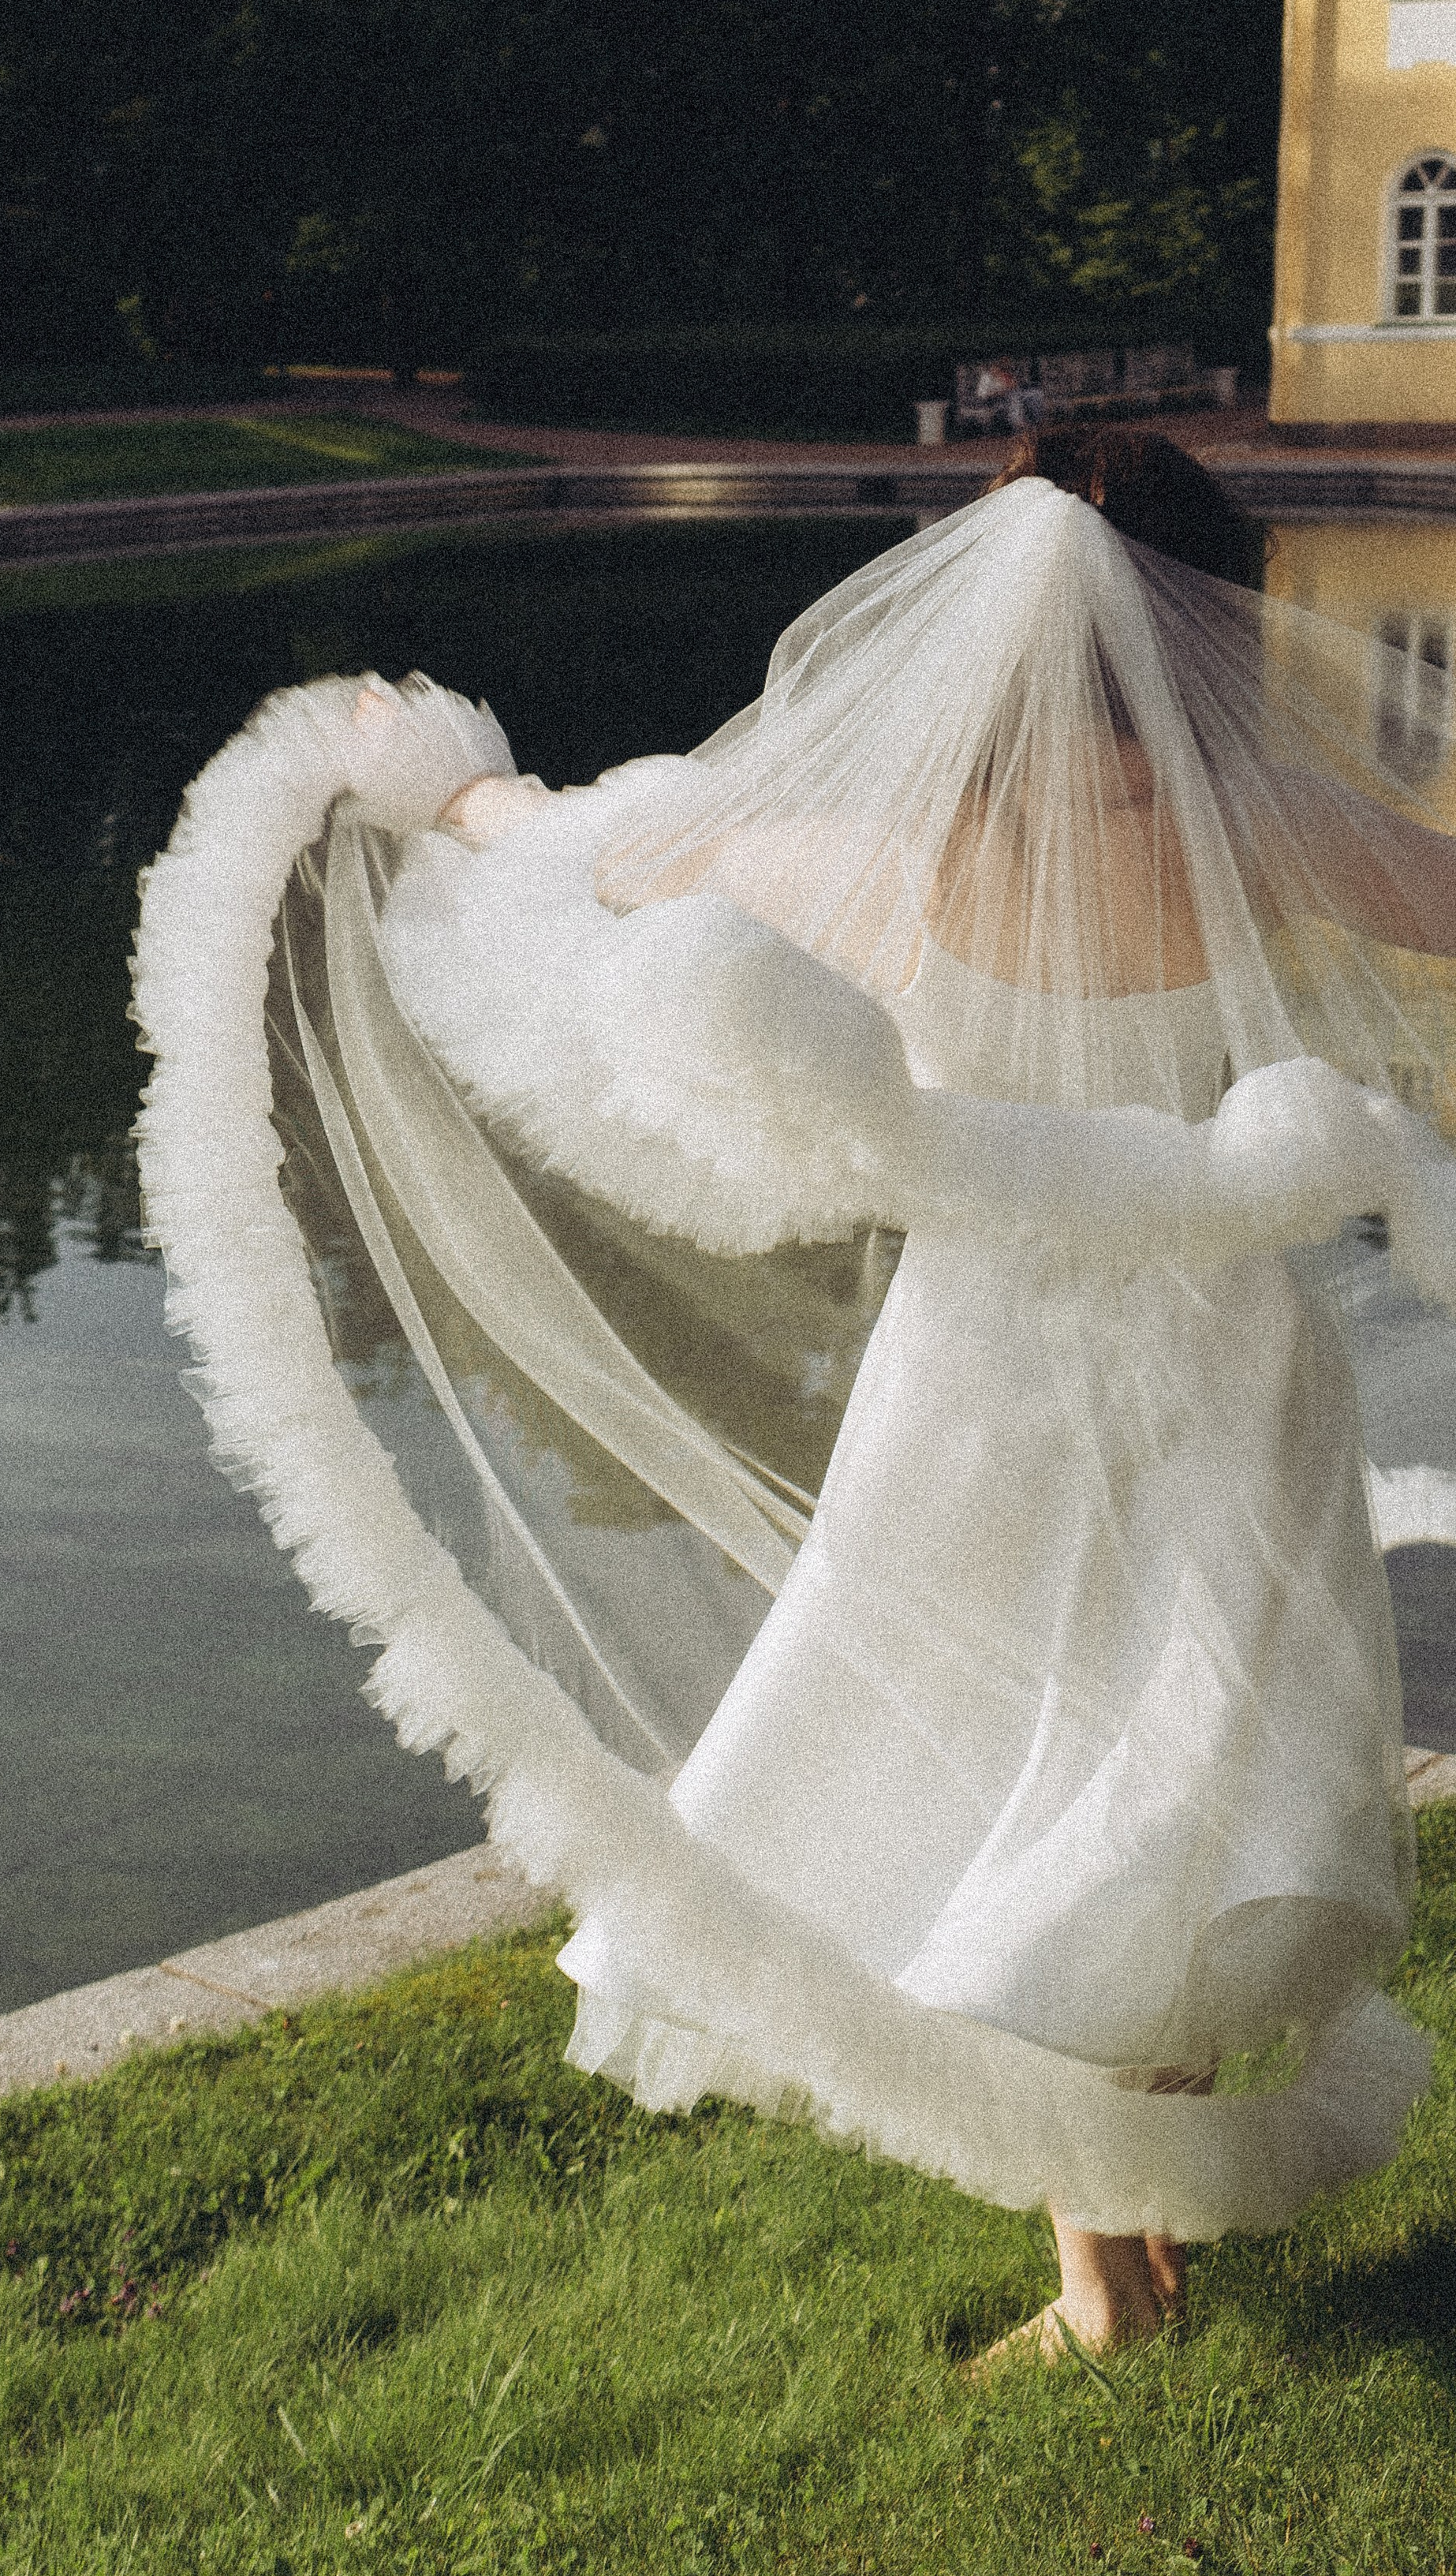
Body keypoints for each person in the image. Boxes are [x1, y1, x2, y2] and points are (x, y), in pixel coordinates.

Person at [133, 429, 1456, 2362]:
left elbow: (588, 848)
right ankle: (1123, 2237)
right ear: (1196, 611)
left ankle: (1104, 2277)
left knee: (1010, 1759)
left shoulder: (881, 847)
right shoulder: (1259, 822)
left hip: (987, 1369)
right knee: (1178, 1772)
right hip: (1217, 1359)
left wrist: (452, 787)